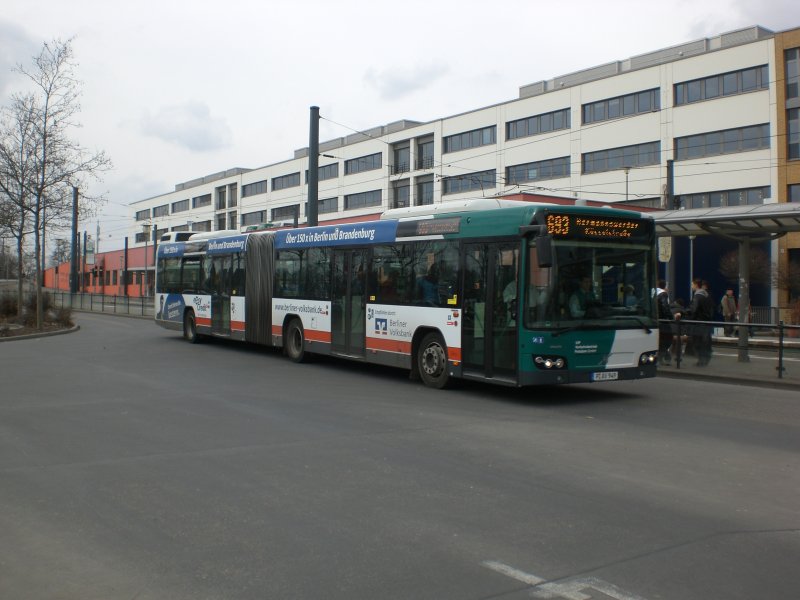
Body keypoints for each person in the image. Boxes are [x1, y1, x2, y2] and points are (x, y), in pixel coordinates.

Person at [675, 277, 714, 366]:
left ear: (696, 285)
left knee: (697, 342)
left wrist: (681, 313)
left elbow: (693, 310)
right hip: (706, 322)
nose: (691, 286)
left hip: (698, 323)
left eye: (692, 284)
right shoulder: (706, 296)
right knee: (705, 342)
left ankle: (701, 361)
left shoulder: (697, 296)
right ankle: (705, 359)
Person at [655, 279, 673, 364]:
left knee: (660, 339)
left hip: (655, 320)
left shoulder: (653, 293)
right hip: (663, 321)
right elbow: (665, 307)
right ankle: (662, 356)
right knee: (668, 339)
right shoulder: (663, 294)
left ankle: (663, 356)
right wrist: (671, 317)